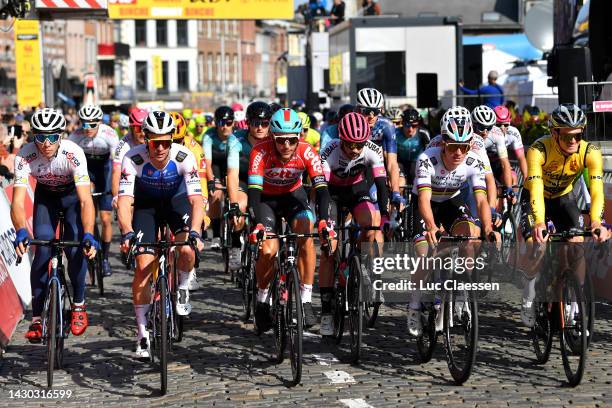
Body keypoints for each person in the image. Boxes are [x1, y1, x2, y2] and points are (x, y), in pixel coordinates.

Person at [117, 111, 205, 358]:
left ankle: (184, 285)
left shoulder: (183, 156)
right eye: (156, 143)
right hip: (147, 208)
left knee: (187, 249)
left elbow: (197, 201)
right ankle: (142, 333)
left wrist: (196, 232)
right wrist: (127, 232)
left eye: (167, 142)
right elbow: (124, 202)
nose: (161, 148)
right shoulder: (132, 158)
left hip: (177, 203)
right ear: (146, 140)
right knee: (144, 264)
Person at [12, 108, 98, 343]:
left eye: (52, 137)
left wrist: (89, 233)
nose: (46, 143)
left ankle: (79, 305)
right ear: (34, 137)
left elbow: (85, 200)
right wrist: (20, 229)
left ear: (61, 136)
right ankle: (37, 318)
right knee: (42, 251)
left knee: (75, 249)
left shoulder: (74, 153)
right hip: (46, 200)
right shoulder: (24, 155)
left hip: (72, 199)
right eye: (41, 137)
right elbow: (17, 202)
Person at [406, 108, 494, 336]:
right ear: (444, 142)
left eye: (464, 147)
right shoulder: (427, 158)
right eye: (453, 146)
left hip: (452, 201)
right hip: (426, 204)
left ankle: (461, 295)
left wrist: (488, 227)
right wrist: (432, 226)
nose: (458, 152)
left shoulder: (473, 161)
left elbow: (482, 200)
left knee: (471, 236)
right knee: (425, 254)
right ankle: (414, 305)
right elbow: (424, 200)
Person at [519, 103, 608, 326]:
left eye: (577, 136)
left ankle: (575, 306)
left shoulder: (590, 152)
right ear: (554, 133)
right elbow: (537, 190)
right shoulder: (538, 150)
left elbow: (597, 191)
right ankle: (529, 293)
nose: (573, 141)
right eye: (567, 136)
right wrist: (539, 222)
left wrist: (596, 221)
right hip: (535, 199)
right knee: (536, 245)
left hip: (563, 199)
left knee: (577, 243)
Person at [248, 108, 331, 332]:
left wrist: (324, 220)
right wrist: (257, 223)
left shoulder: (307, 151)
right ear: (272, 137)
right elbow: (254, 192)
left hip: (293, 197)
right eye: (281, 140)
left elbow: (322, 190)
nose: (286, 146)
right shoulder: (260, 151)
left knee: (306, 231)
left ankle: (305, 300)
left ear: (299, 138)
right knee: (267, 250)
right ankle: (263, 299)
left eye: (292, 140)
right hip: (266, 200)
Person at [318, 112, 389, 335]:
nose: (355, 150)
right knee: (329, 247)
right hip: (331, 194)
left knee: (373, 224)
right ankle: (327, 311)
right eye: (350, 144)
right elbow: (322, 191)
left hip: (357, 190)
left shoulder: (373, 150)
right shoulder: (329, 150)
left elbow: (381, 184)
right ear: (341, 138)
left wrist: (386, 215)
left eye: (359, 145)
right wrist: (324, 221)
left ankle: (361, 264)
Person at [69, 105, 119, 277]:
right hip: (86, 169)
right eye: (84, 124)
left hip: (105, 169)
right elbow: (70, 164)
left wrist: (115, 191)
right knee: (86, 202)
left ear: (99, 122)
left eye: (92, 124)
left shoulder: (109, 134)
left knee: (105, 219)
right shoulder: (75, 136)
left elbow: (116, 166)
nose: (87, 128)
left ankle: (104, 258)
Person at [226, 101, 272, 270]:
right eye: (255, 123)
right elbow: (232, 174)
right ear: (248, 123)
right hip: (244, 179)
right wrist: (234, 204)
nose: (260, 128)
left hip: (265, 181)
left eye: (264, 123)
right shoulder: (236, 139)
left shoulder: (275, 139)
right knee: (241, 206)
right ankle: (236, 245)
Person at [170, 111, 210, 290]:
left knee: (190, 234)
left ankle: (189, 268)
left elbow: (201, 180)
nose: (172, 146)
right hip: (160, 193)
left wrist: (203, 209)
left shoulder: (194, 148)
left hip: (186, 190)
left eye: (177, 141)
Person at [355, 88, 402, 210]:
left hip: (374, 166)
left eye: (375, 112)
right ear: (358, 110)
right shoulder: (351, 123)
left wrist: (396, 192)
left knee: (376, 201)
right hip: (354, 165)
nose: (371, 116)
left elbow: (392, 163)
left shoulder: (386, 126)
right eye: (366, 111)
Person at [203, 106, 236, 250]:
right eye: (221, 123)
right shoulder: (209, 136)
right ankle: (216, 234)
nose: (225, 127)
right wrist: (211, 182)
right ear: (216, 124)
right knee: (216, 194)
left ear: (233, 123)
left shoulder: (237, 136)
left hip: (232, 166)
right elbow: (207, 164)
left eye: (228, 123)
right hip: (215, 166)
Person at [111, 108, 148, 208]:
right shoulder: (123, 144)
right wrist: (116, 196)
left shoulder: (153, 137)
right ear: (131, 129)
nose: (142, 133)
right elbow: (116, 171)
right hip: (133, 175)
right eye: (137, 129)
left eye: (145, 129)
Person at [396, 108, 430, 187]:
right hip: (400, 162)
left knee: (416, 181)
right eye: (407, 125)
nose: (410, 129)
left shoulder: (423, 133)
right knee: (399, 184)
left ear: (418, 124)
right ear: (402, 123)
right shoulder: (396, 133)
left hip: (416, 161)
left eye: (414, 125)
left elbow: (430, 152)